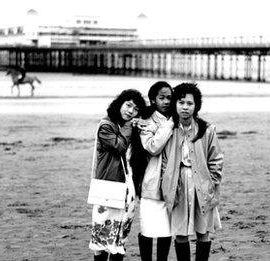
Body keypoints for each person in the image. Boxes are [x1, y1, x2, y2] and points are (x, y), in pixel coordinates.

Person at [161, 83, 223, 261]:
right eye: (181, 102)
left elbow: (216, 159)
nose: (185, 107)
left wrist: (212, 182)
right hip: (178, 182)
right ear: (175, 104)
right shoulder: (169, 129)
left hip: (202, 183)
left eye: (189, 103)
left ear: (196, 106)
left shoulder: (207, 129)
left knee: (203, 230)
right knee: (180, 231)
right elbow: (163, 158)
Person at [89, 89, 147, 261]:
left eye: (136, 109)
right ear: (119, 103)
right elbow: (119, 146)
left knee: (120, 237)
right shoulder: (106, 125)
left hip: (128, 187)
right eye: (128, 105)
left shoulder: (129, 127)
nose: (131, 111)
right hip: (109, 185)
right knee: (101, 236)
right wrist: (131, 126)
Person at [131, 81, 174, 261]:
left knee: (167, 230)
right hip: (151, 182)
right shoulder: (146, 121)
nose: (166, 101)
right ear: (153, 100)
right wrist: (169, 124)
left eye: (169, 98)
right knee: (147, 229)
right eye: (161, 98)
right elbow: (153, 147)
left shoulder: (176, 118)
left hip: (172, 182)